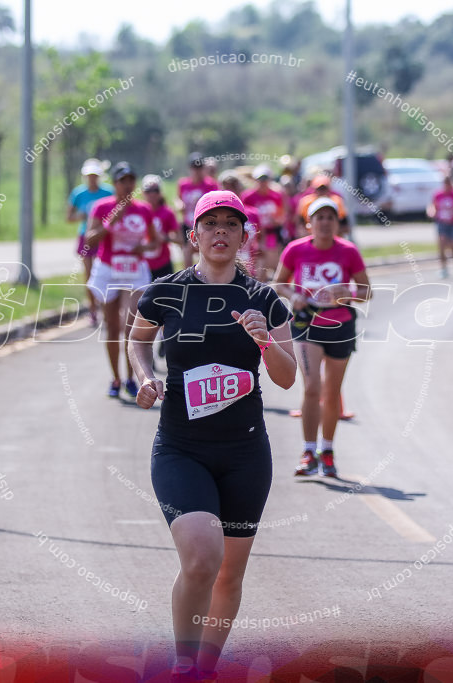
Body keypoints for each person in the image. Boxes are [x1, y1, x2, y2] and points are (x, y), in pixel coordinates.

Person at [128, 190, 296, 682]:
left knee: (229, 573)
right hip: (181, 448)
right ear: (193, 235)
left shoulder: (264, 300)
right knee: (202, 556)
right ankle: (183, 665)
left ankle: (205, 668)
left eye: (231, 224)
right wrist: (143, 377)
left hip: (245, 453)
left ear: (245, 236)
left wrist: (263, 338)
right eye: (210, 224)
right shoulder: (165, 292)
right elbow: (138, 340)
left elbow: (287, 379)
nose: (220, 232)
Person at [274, 197, 371, 478]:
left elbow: (367, 291)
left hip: (340, 325)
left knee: (331, 393)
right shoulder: (295, 250)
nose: (326, 222)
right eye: (320, 217)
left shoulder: (349, 251)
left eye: (331, 217)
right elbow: (279, 283)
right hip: (307, 325)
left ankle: (326, 451)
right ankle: (308, 451)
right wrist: (295, 296)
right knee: (312, 387)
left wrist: (346, 294)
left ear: (338, 223)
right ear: (309, 224)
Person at [85, 162, 159, 398]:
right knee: (112, 327)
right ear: (115, 184)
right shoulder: (102, 207)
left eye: (130, 180)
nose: (127, 185)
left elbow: (156, 242)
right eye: (122, 181)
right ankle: (115, 378)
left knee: (130, 325)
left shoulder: (144, 209)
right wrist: (111, 222)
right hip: (109, 269)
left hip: (134, 271)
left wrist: (143, 247)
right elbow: (90, 239)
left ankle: (130, 378)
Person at [67, 159, 114, 326]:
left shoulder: (108, 192)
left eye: (94, 175)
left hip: (104, 238)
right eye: (89, 176)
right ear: (85, 177)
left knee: (105, 273)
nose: (92, 179)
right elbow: (69, 217)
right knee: (89, 275)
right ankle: (93, 310)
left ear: (99, 176)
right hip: (85, 236)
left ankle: (107, 307)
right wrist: (83, 215)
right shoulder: (79, 194)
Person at [242, 164, 286, 281]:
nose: (263, 182)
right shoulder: (248, 196)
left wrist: (277, 221)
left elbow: (282, 215)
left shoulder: (276, 195)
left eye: (265, 179)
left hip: (272, 232)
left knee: (271, 258)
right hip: (254, 233)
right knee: (255, 256)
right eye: (260, 179)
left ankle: (266, 281)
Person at [176, 153, 219, 269]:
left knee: (205, 250)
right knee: (187, 250)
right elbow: (178, 199)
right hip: (188, 222)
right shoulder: (183, 184)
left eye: (199, 167)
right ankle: (188, 277)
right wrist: (180, 204)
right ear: (190, 169)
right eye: (194, 168)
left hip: (204, 222)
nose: (197, 171)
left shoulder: (211, 184)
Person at [142, 174, 182, 281]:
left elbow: (180, 239)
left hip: (163, 264)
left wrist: (165, 238)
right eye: (148, 191)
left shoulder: (167, 212)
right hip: (142, 265)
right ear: (143, 193)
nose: (152, 194)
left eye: (155, 190)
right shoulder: (139, 211)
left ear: (160, 192)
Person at [429, 175, 453, 278]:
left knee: (452, 245)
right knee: (442, 244)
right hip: (442, 222)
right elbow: (433, 206)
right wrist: (432, 212)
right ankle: (443, 268)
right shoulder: (438, 194)